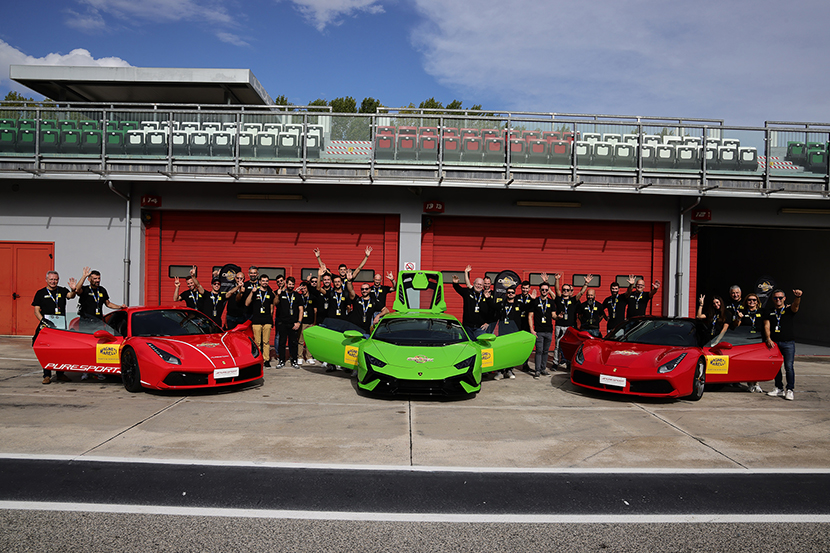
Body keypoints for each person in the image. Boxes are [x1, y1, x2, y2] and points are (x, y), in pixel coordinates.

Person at [32, 271, 76, 384]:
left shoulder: (62, 290)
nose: (53, 281)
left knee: (60, 350)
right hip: (46, 327)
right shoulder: (40, 293)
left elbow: (71, 296)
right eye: (51, 279)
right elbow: (36, 311)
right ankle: (46, 375)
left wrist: (73, 289)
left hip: (60, 326)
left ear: (58, 280)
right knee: (46, 350)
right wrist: (44, 321)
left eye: (55, 279)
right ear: (46, 279)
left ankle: (60, 374)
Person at [764, 288, 803, 401]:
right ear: (773, 299)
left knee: (789, 367)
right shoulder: (769, 311)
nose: (778, 300)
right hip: (775, 344)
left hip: (788, 343)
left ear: (784, 298)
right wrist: (768, 339)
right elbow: (767, 326)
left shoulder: (789, 309)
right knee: (776, 367)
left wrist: (798, 297)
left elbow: (796, 306)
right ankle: (779, 388)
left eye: (780, 298)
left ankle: (790, 390)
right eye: (776, 298)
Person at [552, 273, 591, 368]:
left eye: (567, 290)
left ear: (570, 291)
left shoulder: (573, 300)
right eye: (564, 290)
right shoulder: (558, 299)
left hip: (570, 327)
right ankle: (555, 363)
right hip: (559, 326)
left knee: (569, 346)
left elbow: (581, 293)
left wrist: (586, 283)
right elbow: (556, 290)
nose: (565, 291)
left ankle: (569, 363)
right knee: (557, 346)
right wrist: (557, 279)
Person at [452, 268, 494, 339]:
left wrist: (488, 322)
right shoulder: (468, 292)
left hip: (480, 328)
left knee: (482, 346)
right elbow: (459, 289)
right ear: (474, 284)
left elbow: (492, 310)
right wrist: (455, 283)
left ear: (483, 286)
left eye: (481, 285)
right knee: (468, 346)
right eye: (477, 284)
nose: (479, 286)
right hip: (468, 327)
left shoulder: (486, 295)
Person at [492, 285, 523, 380]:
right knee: (502, 352)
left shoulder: (519, 304)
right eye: (509, 292)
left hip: (514, 333)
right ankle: (500, 372)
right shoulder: (501, 304)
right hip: (502, 333)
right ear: (506, 294)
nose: (510, 294)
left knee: (511, 353)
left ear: (515, 294)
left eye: (512, 292)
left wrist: (533, 299)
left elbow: (530, 308)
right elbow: (491, 308)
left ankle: (509, 370)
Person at [736, 292, 765, 393]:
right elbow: (737, 325)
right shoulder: (742, 311)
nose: (752, 302)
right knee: (748, 363)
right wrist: (739, 318)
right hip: (746, 341)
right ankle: (750, 383)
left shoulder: (762, 312)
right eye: (749, 300)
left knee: (758, 363)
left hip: (759, 340)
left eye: (754, 300)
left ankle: (756, 383)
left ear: (757, 302)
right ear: (746, 302)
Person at [245, 274, 275, 367]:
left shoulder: (270, 293)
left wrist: (271, 319)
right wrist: (252, 293)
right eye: (263, 281)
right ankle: (258, 359)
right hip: (256, 320)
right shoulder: (255, 291)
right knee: (257, 342)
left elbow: (272, 308)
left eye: (266, 281)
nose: (265, 282)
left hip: (267, 321)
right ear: (260, 282)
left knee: (266, 342)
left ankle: (266, 360)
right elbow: (247, 303)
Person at [274, 276, 304, 369]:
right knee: (282, 342)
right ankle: (281, 360)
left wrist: (299, 322)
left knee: (293, 342)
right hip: (282, 323)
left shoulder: (297, 295)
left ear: (294, 285)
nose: (291, 286)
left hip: (293, 323)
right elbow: (275, 303)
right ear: (286, 284)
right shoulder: (281, 294)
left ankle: (294, 360)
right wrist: (278, 295)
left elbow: (301, 310)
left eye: (292, 284)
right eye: (289, 284)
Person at [528, 280, 556, 378]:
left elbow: (553, 316)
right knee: (539, 351)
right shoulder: (535, 301)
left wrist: (558, 317)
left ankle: (543, 369)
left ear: (548, 291)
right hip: (538, 331)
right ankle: (537, 370)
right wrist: (532, 329)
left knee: (545, 351)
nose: (544, 291)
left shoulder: (551, 302)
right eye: (543, 289)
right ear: (540, 290)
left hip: (548, 330)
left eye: (546, 290)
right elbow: (530, 316)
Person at [296, 280, 318, 365]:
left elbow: (315, 310)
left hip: (310, 322)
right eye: (302, 288)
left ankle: (309, 357)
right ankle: (300, 357)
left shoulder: (313, 297)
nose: (303, 290)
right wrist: (296, 291)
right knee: (300, 340)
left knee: (309, 341)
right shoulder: (298, 297)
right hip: (302, 322)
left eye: (304, 288)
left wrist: (314, 322)